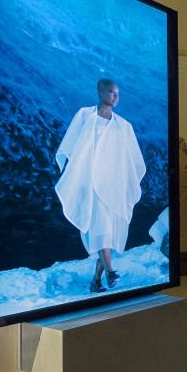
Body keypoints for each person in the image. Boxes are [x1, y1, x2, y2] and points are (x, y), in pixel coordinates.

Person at [55, 79, 146, 292]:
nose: (116, 96)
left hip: (113, 184)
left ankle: (96, 281)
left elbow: (132, 158)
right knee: (102, 227)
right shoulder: (85, 115)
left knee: (108, 233)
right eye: (112, 92)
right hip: (93, 184)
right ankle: (111, 272)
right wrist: (76, 174)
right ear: (100, 91)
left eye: (118, 94)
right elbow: (73, 145)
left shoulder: (124, 125)